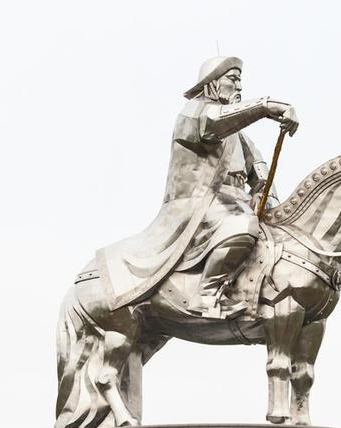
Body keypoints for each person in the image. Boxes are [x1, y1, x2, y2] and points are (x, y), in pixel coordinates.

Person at [94, 56, 300, 318]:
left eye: (240, 81)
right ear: (212, 83)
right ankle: (207, 294)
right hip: (200, 202)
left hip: (239, 204)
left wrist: (266, 196)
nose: (239, 87)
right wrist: (266, 107)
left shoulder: (242, 138)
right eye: (232, 79)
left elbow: (259, 172)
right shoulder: (194, 112)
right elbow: (216, 122)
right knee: (242, 227)